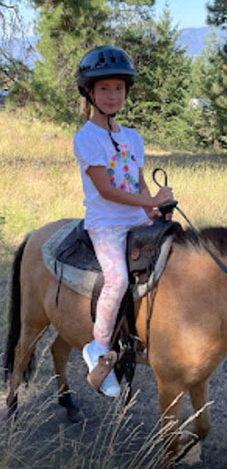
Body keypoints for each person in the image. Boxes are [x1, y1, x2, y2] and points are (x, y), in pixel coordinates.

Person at [74, 45, 174, 397]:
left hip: (137, 220)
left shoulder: (132, 137)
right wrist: (147, 201)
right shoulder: (86, 138)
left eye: (118, 88)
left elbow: (138, 182)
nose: (113, 95)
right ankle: (98, 348)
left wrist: (153, 209)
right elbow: (105, 190)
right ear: (90, 92)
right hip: (107, 224)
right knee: (116, 280)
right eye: (104, 89)